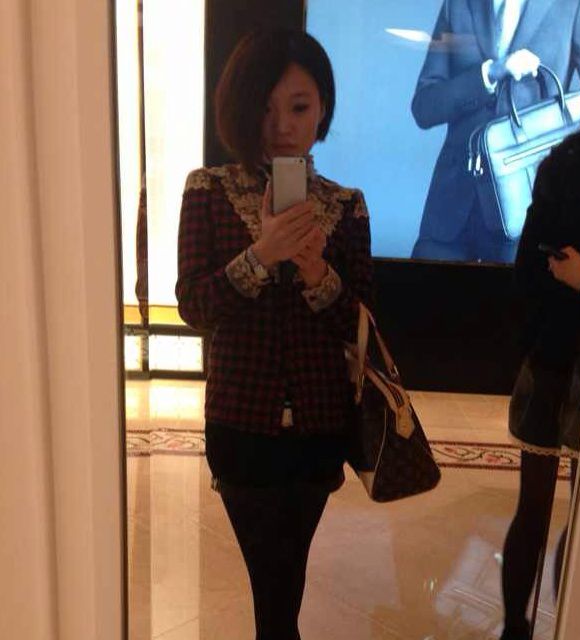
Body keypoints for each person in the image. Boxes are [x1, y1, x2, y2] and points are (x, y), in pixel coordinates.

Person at [175, 29, 373, 640]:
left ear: (323, 109)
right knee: (275, 585)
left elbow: (360, 326)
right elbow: (195, 308)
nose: (283, 126)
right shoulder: (207, 191)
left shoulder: (347, 205)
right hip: (241, 426)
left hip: (320, 428)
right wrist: (261, 255)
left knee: (285, 583)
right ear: (240, 108)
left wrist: (315, 271)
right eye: (265, 107)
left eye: (299, 106)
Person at [500, 33, 580, 640]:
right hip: (554, 355)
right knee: (534, 507)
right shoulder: (561, 162)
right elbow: (527, 265)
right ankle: (515, 627)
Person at [410, 0, 580, 262]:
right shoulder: (458, 3)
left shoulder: (574, 3)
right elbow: (424, 107)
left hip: (526, 217)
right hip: (449, 216)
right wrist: (489, 73)